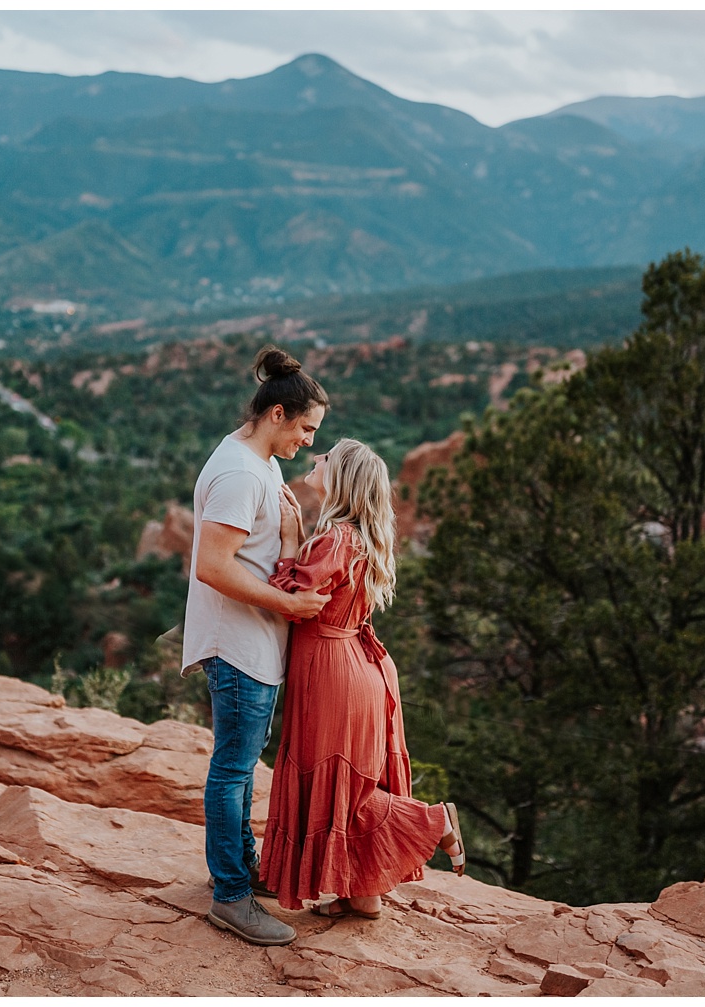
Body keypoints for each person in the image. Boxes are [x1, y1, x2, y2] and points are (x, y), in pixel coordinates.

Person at [260, 438, 465, 921]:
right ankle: (362, 892)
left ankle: (436, 821)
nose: (315, 458)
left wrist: (290, 542)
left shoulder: (335, 538)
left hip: (333, 673)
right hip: (357, 665)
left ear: (342, 478)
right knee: (348, 781)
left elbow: (289, 597)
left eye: (326, 457)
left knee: (340, 785)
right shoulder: (359, 537)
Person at [184, 345, 331, 947]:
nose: (308, 442)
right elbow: (213, 568)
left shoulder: (257, 458)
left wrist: (293, 535)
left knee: (242, 769)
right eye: (305, 428)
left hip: (254, 642)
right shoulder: (242, 473)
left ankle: (239, 874)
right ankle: (230, 896)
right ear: (276, 413)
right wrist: (290, 606)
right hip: (238, 643)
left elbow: (253, 553)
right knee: (233, 769)